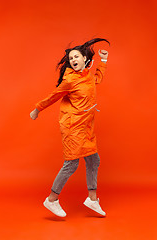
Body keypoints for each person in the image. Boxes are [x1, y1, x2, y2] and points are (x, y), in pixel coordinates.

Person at [30, 38, 110, 217]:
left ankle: (92, 199)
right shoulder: (70, 80)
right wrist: (37, 109)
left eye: (76, 56)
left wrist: (103, 61)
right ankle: (51, 200)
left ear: (84, 58)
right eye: (71, 58)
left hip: (86, 127)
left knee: (93, 160)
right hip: (73, 127)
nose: (73, 59)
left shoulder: (87, 75)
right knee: (71, 164)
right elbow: (53, 96)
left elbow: (97, 78)